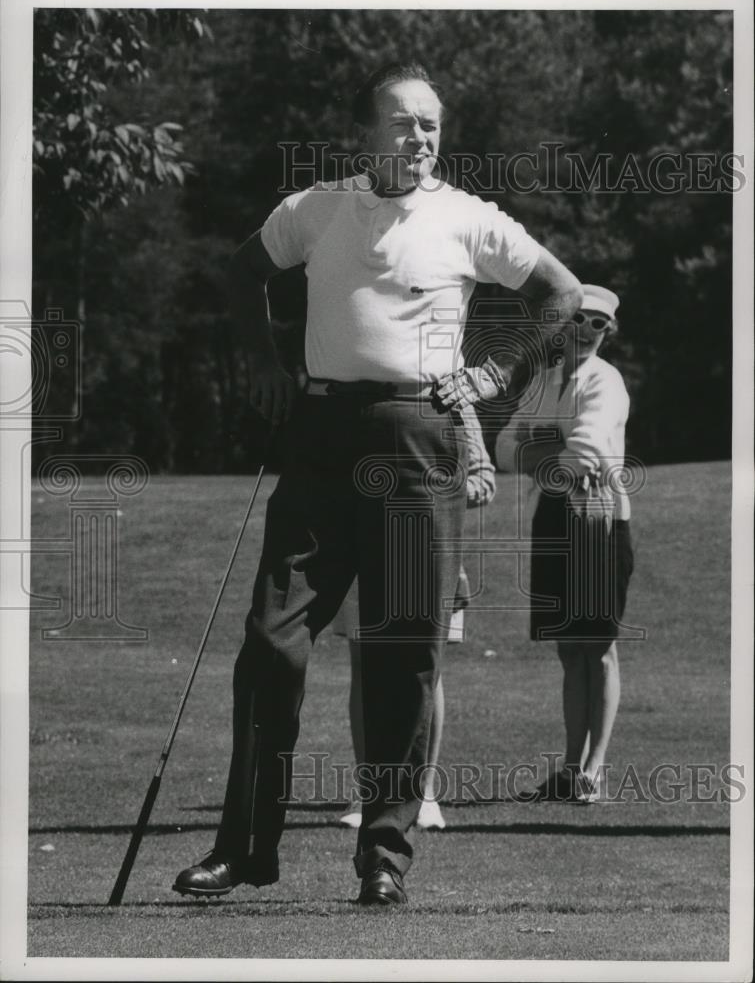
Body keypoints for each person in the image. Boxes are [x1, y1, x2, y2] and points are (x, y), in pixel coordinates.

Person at [173, 62, 582, 907]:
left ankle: (385, 858)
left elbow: (562, 296)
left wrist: (493, 371)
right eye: (403, 123)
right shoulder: (316, 209)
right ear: (366, 135)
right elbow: (234, 272)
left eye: (431, 125)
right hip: (320, 437)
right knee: (270, 644)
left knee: (403, 657)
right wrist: (267, 366)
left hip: (418, 443)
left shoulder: (466, 217)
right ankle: (245, 850)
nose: (420, 138)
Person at [498, 285, 634, 803]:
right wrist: (551, 447)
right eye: (576, 319)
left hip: (599, 518)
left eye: (596, 323)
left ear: (608, 331)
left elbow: (588, 448)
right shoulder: (543, 383)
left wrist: (546, 446)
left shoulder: (608, 382)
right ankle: (569, 766)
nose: (584, 330)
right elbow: (506, 447)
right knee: (567, 649)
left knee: (597, 649)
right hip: (554, 515)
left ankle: (593, 771)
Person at [336, 404, 497, 832]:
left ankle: (422, 791)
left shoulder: (454, 400)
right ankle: (370, 790)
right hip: (363, 550)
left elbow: (483, 478)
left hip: (428, 548)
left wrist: (428, 491)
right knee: (365, 665)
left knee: (426, 670)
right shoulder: (358, 393)